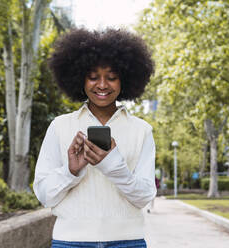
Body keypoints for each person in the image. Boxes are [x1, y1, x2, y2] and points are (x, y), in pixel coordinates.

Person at [33, 28, 156, 248]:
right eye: (93, 77)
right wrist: (71, 170)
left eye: (111, 77)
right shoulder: (60, 126)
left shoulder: (142, 130)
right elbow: (45, 196)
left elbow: (144, 196)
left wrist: (112, 165)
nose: (101, 85)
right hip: (70, 242)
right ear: (80, 78)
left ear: (125, 80)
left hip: (127, 242)